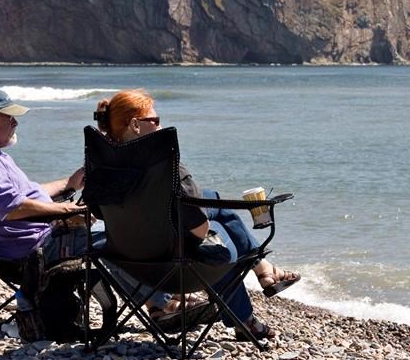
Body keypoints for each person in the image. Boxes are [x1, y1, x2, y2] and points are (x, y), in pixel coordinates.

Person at [94, 88, 301, 340]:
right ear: (136, 125)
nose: (160, 126)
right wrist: (207, 231)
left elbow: (97, 211)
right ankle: (256, 288)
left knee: (211, 199)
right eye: (155, 121)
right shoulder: (165, 162)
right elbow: (199, 227)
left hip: (129, 260)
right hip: (172, 266)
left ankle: (262, 274)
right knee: (214, 244)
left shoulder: (100, 164)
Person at [0, 87, 180, 323]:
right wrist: (69, 212)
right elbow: (13, 208)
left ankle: (160, 303)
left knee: (114, 236)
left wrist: (69, 183)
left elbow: (25, 195)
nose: (15, 123)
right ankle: (165, 305)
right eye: (7, 117)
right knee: (120, 240)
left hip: (34, 239)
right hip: (34, 250)